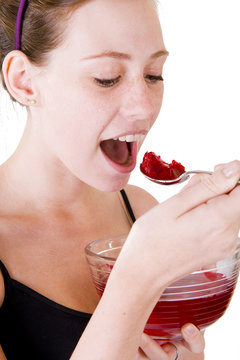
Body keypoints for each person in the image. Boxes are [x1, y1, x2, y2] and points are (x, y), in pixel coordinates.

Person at [0, 0, 240, 359]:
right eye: (106, 77)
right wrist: (140, 272)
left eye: (154, 74)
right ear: (24, 81)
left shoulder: (141, 211)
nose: (144, 107)